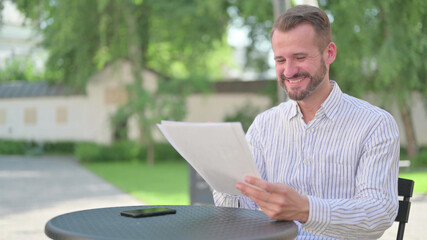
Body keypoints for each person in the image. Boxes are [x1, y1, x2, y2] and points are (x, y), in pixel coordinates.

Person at [213, 4, 399, 239]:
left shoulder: (375, 125)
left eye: (299, 57)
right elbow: (243, 210)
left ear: (329, 53)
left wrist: (306, 209)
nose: (288, 71)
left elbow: (377, 214)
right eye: (280, 60)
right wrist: (221, 167)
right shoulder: (264, 126)